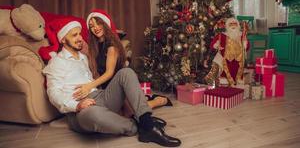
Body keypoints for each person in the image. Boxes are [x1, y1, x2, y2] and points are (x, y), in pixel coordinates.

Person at [42, 18, 181, 147]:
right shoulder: (57, 62)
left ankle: (147, 123)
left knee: (126, 73)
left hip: (100, 97)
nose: (79, 38)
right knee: (93, 114)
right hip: (80, 111)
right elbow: (53, 94)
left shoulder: (83, 57)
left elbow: (103, 70)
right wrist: (77, 105)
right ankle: (138, 126)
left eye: (79, 34)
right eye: (74, 35)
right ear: (63, 40)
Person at [73, 9, 172, 109]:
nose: (96, 28)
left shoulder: (111, 45)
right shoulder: (94, 46)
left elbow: (109, 73)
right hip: (105, 89)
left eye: (98, 23)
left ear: (105, 24)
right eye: (91, 26)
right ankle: (141, 100)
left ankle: (156, 101)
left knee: (129, 113)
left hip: (120, 86)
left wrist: (89, 86)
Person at [205, 17, 249, 86]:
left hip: (238, 61)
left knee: (238, 77)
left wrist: (245, 43)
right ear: (227, 26)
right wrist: (216, 45)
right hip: (226, 61)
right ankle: (225, 90)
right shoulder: (222, 35)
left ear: (238, 26)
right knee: (224, 78)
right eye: (230, 24)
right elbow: (212, 44)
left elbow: (247, 47)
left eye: (235, 24)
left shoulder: (242, 36)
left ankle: (237, 89)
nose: (233, 26)